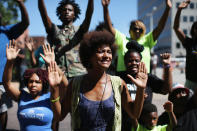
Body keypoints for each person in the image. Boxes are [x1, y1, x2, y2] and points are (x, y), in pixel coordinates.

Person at [49, 30, 147, 130]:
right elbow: (59, 116)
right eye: (101, 52)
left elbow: (134, 114)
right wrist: (54, 89)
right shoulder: (76, 84)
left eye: (109, 52)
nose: (106, 56)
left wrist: (141, 89)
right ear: (89, 55)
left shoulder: (118, 83)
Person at [102, 0, 172, 74]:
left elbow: (160, 27)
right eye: (135, 29)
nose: (137, 31)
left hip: (143, 78)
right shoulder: (122, 39)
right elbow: (109, 27)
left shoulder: (147, 40)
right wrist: (105, 8)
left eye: (140, 29)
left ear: (144, 31)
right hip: (123, 77)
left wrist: (167, 9)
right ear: (129, 31)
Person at [120, 41, 172, 131]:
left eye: (137, 60)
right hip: (125, 127)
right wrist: (139, 98)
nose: (133, 63)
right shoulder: (119, 78)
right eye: (130, 61)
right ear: (124, 62)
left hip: (144, 127)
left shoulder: (148, 78)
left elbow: (166, 89)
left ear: (141, 62)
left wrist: (167, 66)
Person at [38, 0, 94, 80]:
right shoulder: (55, 29)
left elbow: (89, 15)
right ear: (60, 14)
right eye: (64, 10)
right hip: (59, 73)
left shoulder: (80, 30)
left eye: (70, 10)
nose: (67, 12)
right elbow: (43, 15)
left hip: (78, 73)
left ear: (74, 14)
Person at [0, 0, 29, 130]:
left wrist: (20, 3)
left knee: (2, 109)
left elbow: (25, 23)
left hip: (2, 81)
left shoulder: (7, 31)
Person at [173, 0, 197, 91]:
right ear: (193, 30)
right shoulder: (189, 42)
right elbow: (176, 28)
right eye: (196, 27)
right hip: (191, 83)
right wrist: (179, 10)